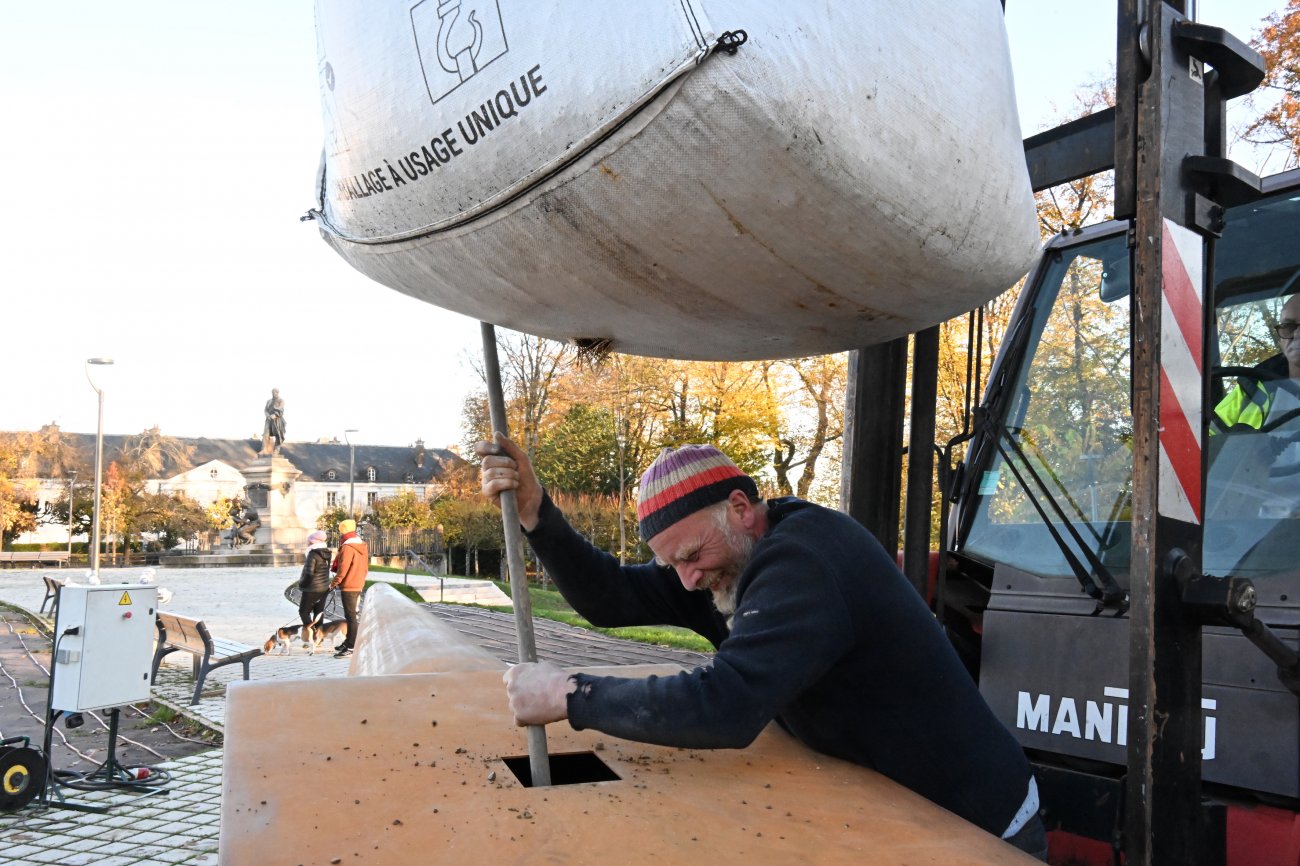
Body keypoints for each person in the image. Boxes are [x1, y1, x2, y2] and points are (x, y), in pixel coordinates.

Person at [479, 435, 1048, 859]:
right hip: (892, 810)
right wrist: (536, 513)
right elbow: (611, 597)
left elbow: (726, 706)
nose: (687, 581)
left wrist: (570, 694)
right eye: (671, 564)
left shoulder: (804, 563)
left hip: (972, 823)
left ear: (740, 509)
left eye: (690, 556)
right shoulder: (721, 558)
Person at [1214, 293, 1300, 430]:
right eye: (1288, 327)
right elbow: (1207, 433)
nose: (1297, 334)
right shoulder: (1251, 389)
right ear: (1280, 341)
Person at [329, 518, 368, 658]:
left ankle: (351, 647)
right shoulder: (361, 544)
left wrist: (333, 583)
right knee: (351, 615)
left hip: (349, 585)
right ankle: (348, 642)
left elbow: (343, 569)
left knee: (351, 616)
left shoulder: (347, 547)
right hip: (357, 583)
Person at [298, 530, 332, 641]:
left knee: (303, 612)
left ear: (313, 542)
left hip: (312, 588)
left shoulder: (312, 554)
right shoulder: (326, 552)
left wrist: (302, 584)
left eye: (309, 541)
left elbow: (309, 573)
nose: (307, 543)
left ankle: (312, 633)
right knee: (319, 612)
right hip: (324, 587)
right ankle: (319, 636)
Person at [262, 388, 286, 454]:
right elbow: (265, 409)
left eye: (275, 392)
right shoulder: (269, 401)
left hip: (277, 419)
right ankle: (263, 449)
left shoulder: (281, 400)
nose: (273, 393)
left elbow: (281, 409)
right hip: (269, 419)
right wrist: (267, 415)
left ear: (277, 393)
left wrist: (275, 415)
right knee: (265, 433)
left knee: (278, 434)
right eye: (272, 392)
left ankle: (276, 450)